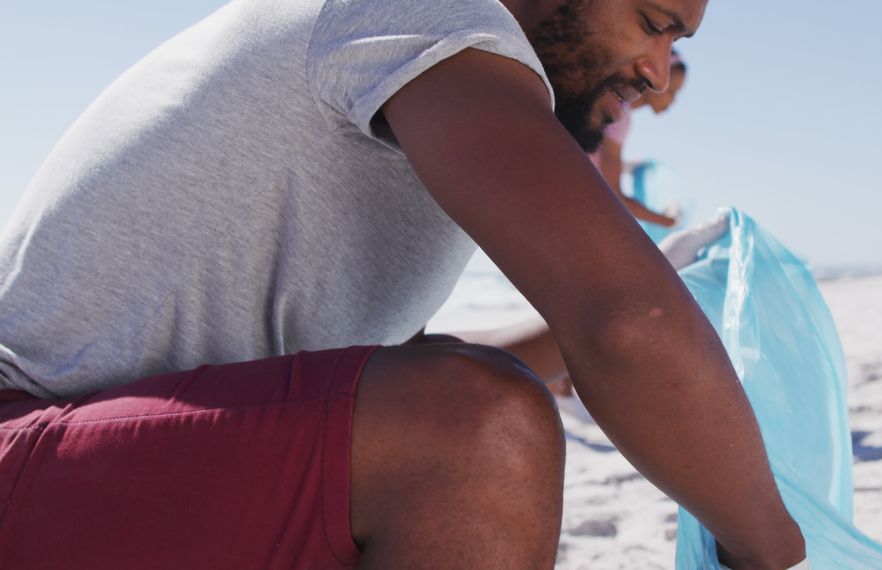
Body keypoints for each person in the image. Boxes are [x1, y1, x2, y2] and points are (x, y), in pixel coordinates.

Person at [0, 0, 807, 568]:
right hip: (25, 460)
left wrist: (632, 295)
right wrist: (771, 549)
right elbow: (625, 322)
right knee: (482, 435)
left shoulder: (423, 100)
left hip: (112, 465)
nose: (659, 76)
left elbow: (411, 376)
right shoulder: (425, 12)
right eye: (655, 24)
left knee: (463, 406)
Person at [592, 50, 690, 228]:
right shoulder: (619, 115)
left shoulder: (612, 100)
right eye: (673, 91)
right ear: (655, 77)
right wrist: (669, 221)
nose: (673, 101)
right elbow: (613, 195)